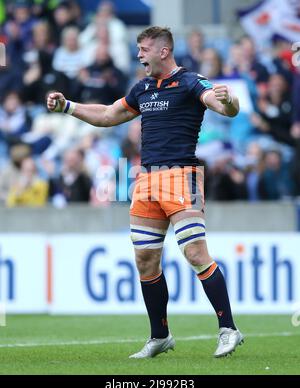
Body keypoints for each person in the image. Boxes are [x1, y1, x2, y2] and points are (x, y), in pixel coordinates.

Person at [47, 26, 244, 359]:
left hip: (184, 177)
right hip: (147, 179)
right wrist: (68, 106)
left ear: (163, 51)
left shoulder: (191, 81)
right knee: (146, 261)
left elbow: (223, 106)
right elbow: (110, 114)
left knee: (195, 253)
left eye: (143, 49)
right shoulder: (143, 88)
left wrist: (231, 101)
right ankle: (160, 336)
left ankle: (229, 329)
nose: (139, 55)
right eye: (138, 50)